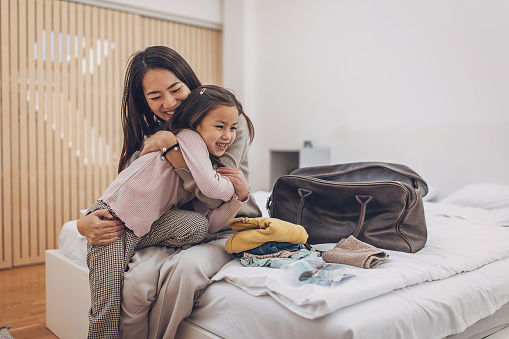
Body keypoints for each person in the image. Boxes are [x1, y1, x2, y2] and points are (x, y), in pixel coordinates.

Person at [77, 46, 261, 339]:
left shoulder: (223, 124)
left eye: (176, 89)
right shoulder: (154, 134)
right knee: (136, 284)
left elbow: (215, 197)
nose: (169, 102)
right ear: (144, 101)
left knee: (182, 272)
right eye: (155, 96)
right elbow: (132, 190)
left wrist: (173, 149)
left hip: (225, 224)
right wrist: (84, 221)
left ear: (190, 82)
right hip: (175, 224)